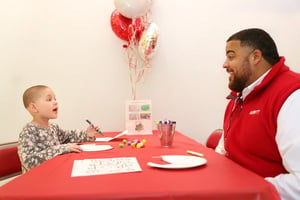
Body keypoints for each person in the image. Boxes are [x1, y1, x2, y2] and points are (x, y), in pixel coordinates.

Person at [215, 28, 300, 200]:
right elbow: (223, 151)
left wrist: (248, 190)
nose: (225, 64)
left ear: (255, 57)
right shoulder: (239, 97)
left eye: (231, 56)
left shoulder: (292, 96)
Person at [18, 85, 99, 173]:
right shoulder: (28, 131)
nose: (55, 102)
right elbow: (29, 161)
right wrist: (62, 148)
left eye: (55, 99)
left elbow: (68, 137)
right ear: (34, 107)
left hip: (55, 173)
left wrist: (87, 134)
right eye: (49, 99)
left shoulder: (53, 127)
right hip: (37, 180)